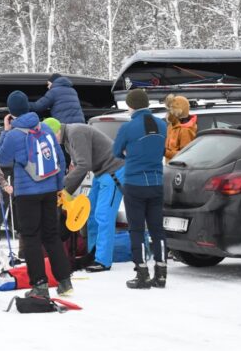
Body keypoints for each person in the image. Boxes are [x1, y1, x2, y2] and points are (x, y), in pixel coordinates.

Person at [0, 90, 74, 297]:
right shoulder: (46, 127)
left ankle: (39, 285)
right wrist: (58, 186)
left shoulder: (13, 134)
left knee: (30, 237)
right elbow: (60, 158)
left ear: (11, 112)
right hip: (49, 190)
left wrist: (5, 131)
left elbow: (1, 158)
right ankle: (65, 282)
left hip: (27, 193)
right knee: (51, 235)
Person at [43, 117, 125, 272]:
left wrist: (64, 187)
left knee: (104, 215)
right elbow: (76, 165)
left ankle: (103, 260)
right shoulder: (67, 140)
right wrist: (65, 192)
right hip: (101, 173)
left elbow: (84, 165)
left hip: (114, 171)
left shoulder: (75, 133)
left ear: (56, 132)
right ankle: (93, 255)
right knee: (91, 214)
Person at [113, 88, 168, 289]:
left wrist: (130, 153)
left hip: (135, 183)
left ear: (130, 105)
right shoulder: (162, 124)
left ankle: (142, 273)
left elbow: (116, 151)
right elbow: (163, 149)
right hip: (156, 182)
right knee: (157, 229)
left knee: (136, 229)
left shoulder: (128, 128)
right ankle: (161, 273)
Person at [164, 94, 197, 161]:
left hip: (178, 168)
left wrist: (165, 152)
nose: (170, 112)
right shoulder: (172, 125)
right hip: (170, 167)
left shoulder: (185, 129)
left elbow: (185, 155)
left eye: (172, 109)